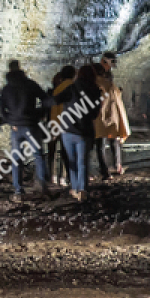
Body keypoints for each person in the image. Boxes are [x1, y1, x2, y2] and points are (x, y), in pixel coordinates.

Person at [0, 59, 54, 201]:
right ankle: (41, 186)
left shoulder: (6, 89)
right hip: (31, 125)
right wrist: (40, 114)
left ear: (9, 70)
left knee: (17, 159)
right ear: (19, 68)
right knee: (38, 155)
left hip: (16, 128)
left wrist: (11, 121)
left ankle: (18, 191)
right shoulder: (29, 84)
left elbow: (1, 110)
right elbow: (46, 99)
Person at [58, 60, 101, 201]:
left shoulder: (71, 88)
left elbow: (56, 101)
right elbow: (95, 114)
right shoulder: (96, 90)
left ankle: (75, 188)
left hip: (68, 130)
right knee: (82, 162)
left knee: (72, 162)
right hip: (85, 131)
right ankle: (82, 189)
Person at [92, 52, 130, 177]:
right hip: (105, 114)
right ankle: (114, 167)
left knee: (105, 142)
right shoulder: (101, 81)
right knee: (108, 142)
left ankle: (110, 168)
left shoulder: (104, 80)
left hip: (103, 115)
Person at [47, 65, 76, 187]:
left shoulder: (56, 90)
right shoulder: (73, 88)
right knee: (66, 153)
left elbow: (54, 109)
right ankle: (64, 177)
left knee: (52, 153)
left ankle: (52, 176)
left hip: (55, 124)